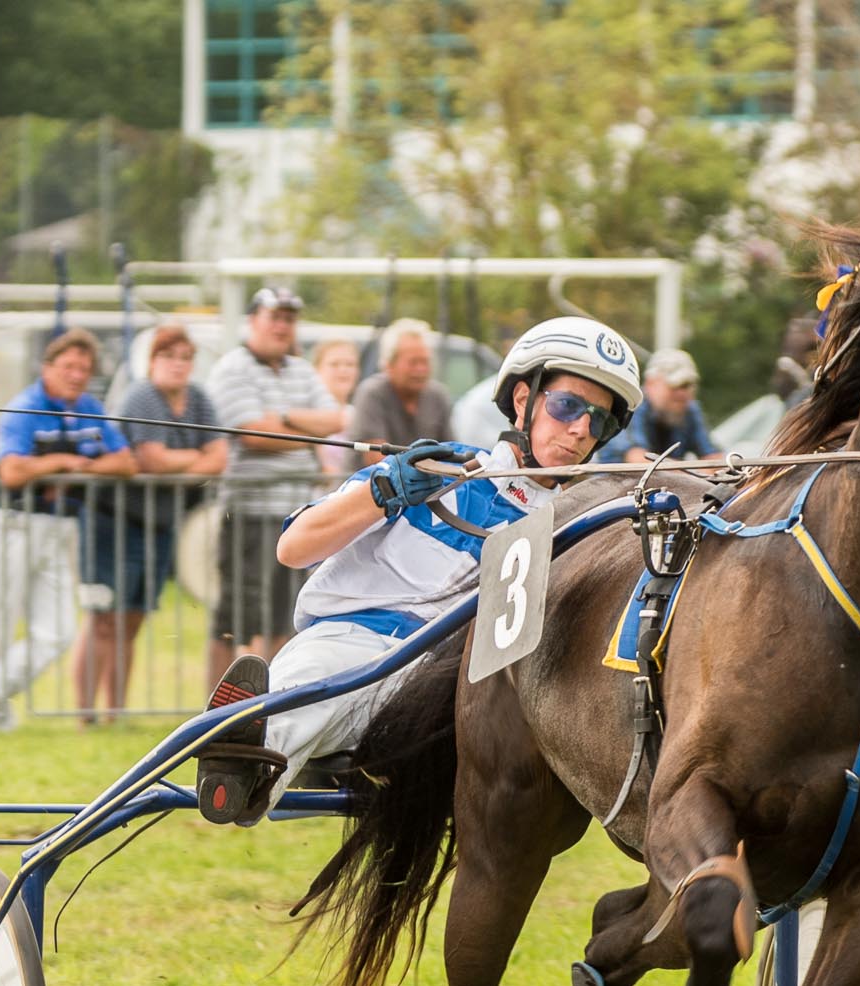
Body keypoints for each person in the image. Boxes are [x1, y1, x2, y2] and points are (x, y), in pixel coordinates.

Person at [192, 317, 641, 824]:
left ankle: (258, 743)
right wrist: (384, 493)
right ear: (523, 400)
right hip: (355, 643)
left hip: (449, 691)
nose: (581, 429)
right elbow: (294, 548)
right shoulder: (434, 472)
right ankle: (249, 756)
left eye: (599, 422)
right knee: (321, 674)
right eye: (567, 406)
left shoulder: (583, 522)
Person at [0, 329, 135, 726]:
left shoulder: (90, 407)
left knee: (58, 632)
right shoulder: (25, 407)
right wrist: (61, 464)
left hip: (57, 530)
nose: (77, 374)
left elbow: (125, 462)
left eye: (84, 368)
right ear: (46, 367)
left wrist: (79, 467)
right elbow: (12, 470)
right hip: (8, 524)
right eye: (68, 366)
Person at [86, 324, 228, 723]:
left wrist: (178, 463)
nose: (178, 365)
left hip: (160, 524)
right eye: (169, 356)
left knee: (132, 619)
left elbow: (218, 457)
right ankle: (84, 714)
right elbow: (153, 460)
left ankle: (115, 712)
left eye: (185, 358)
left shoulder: (198, 398)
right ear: (152, 361)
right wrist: (194, 461)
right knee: (103, 619)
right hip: (114, 522)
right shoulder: (141, 395)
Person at [207, 287, 343, 674]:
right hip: (249, 513)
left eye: (289, 319)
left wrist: (281, 417)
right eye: (275, 317)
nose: (283, 326)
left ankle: (266, 705)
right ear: (253, 320)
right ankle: (215, 711)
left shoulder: (301, 368)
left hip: (297, 514)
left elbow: (334, 420)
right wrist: (302, 425)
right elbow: (253, 434)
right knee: (238, 619)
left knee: (286, 616)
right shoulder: (232, 367)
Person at [346, 320, 454, 451]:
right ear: (389, 365)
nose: (421, 369)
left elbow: (450, 450)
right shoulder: (372, 393)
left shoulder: (438, 397)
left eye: (425, 361)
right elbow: (377, 459)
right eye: (413, 362)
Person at [602, 348, 721, 465]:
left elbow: (716, 459)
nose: (682, 393)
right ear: (650, 384)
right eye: (675, 385)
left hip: (665, 483)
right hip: (615, 483)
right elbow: (639, 461)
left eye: (687, 386)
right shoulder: (631, 405)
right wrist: (699, 472)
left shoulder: (690, 410)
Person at [310, 339, 362, 473]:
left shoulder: (360, 414)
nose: (343, 370)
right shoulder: (309, 414)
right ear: (316, 370)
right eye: (334, 364)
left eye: (350, 364)